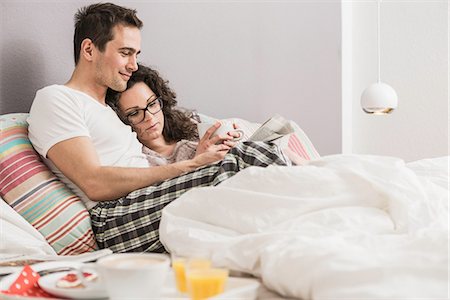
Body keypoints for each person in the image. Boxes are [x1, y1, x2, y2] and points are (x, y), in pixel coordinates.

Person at [27, 2, 288, 253]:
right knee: (245, 159)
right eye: (125, 53)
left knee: (253, 174)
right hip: (116, 219)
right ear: (89, 50)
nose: (134, 65)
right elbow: (94, 182)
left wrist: (200, 160)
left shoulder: (110, 112)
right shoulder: (57, 99)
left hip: (148, 201)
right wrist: (191, 167)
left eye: (136, 55)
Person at [105, 63, 242, 166]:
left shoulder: (193, 122)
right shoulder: (139, 163)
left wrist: (235, 139)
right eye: (134, 113)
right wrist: (198, 163)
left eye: (152, 104)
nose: (150, 117)